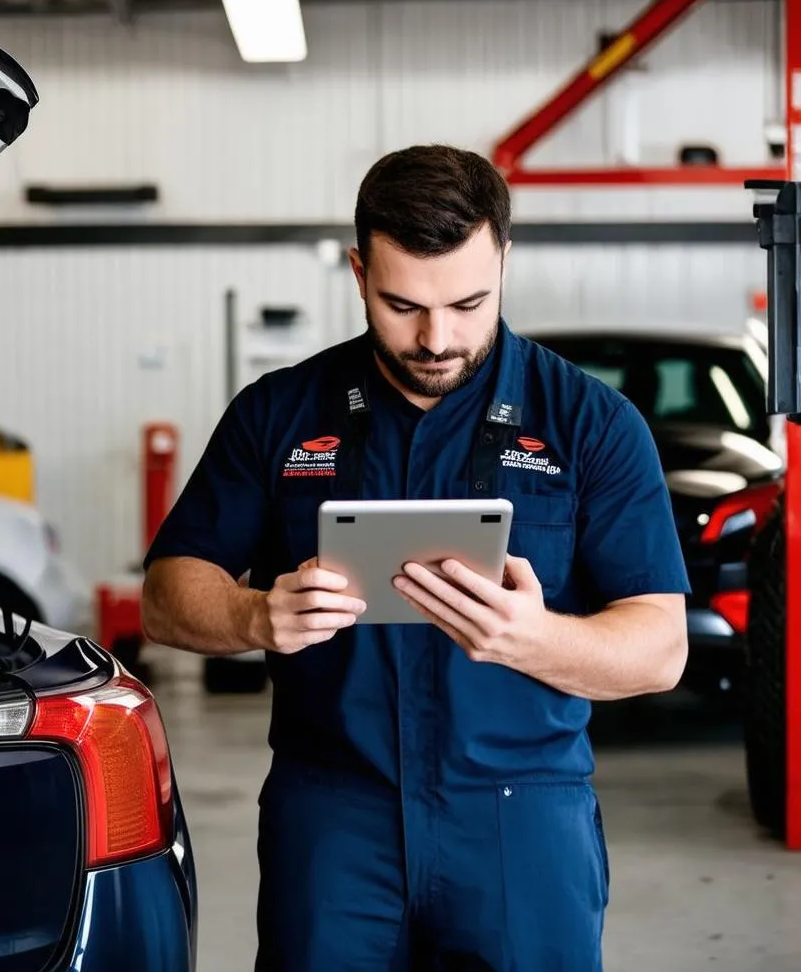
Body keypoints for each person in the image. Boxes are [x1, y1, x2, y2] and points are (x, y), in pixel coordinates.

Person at [141, 144, 689, 971]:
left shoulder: (592, 425)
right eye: (402, 306)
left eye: (469, 303)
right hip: (333, 816)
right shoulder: (279, 414)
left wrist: (532, 640)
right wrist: (257, 614)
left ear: (504, 259)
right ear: (359, 273)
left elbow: (660, 647)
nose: (437, 338)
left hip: (521, 817)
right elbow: (166, 592)